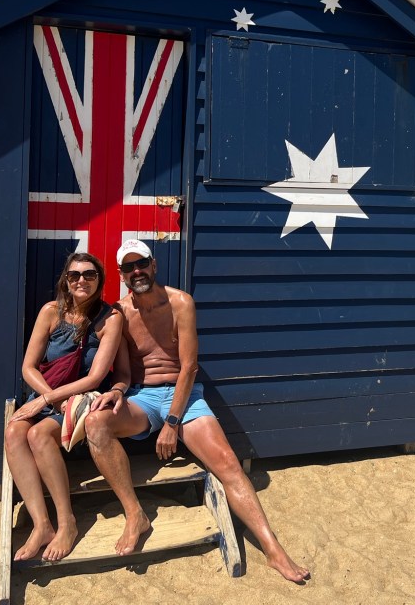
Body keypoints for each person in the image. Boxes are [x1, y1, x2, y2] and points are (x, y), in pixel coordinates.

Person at [86, 239, 310, 583]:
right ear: (121, 274)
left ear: (153, 264)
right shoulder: (121, 313)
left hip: (184, 394)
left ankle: (274, 550)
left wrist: (172, 422)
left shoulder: (180, 302)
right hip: (142, 397)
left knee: (228, 464)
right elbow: (126, 374)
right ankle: (135, 515)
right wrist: (116, 391)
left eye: (141, 263)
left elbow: (189, 367)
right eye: (129, 268)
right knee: (96, 423)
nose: (137, 272)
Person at [5, 252, 123, 562]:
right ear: (66, 281)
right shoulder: (50, 312)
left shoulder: (111, 319)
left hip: (81, 400)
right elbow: (28, 367)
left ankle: (66, 521)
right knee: (13, 432)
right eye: (74, 275)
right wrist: (47, 397)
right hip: (48, 395)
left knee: (38, 435)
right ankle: (42, 524)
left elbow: (96, 376)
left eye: (89, 274)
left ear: (99, 280)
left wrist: (48, 400)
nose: (82, 280)